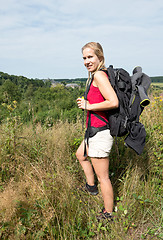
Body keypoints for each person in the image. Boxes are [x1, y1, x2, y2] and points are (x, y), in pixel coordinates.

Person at [76, 42, 119, 221]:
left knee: (104, 177)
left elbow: (113, 101)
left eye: (90, 57)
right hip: (92, 130)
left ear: (100, 57)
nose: (87, 61)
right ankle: (91, 187)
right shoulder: (94, 76)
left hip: (100, 132)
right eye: (84, 58)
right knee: (81, 155)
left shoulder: (100, 76)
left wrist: (89, 105)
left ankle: (108, 213)